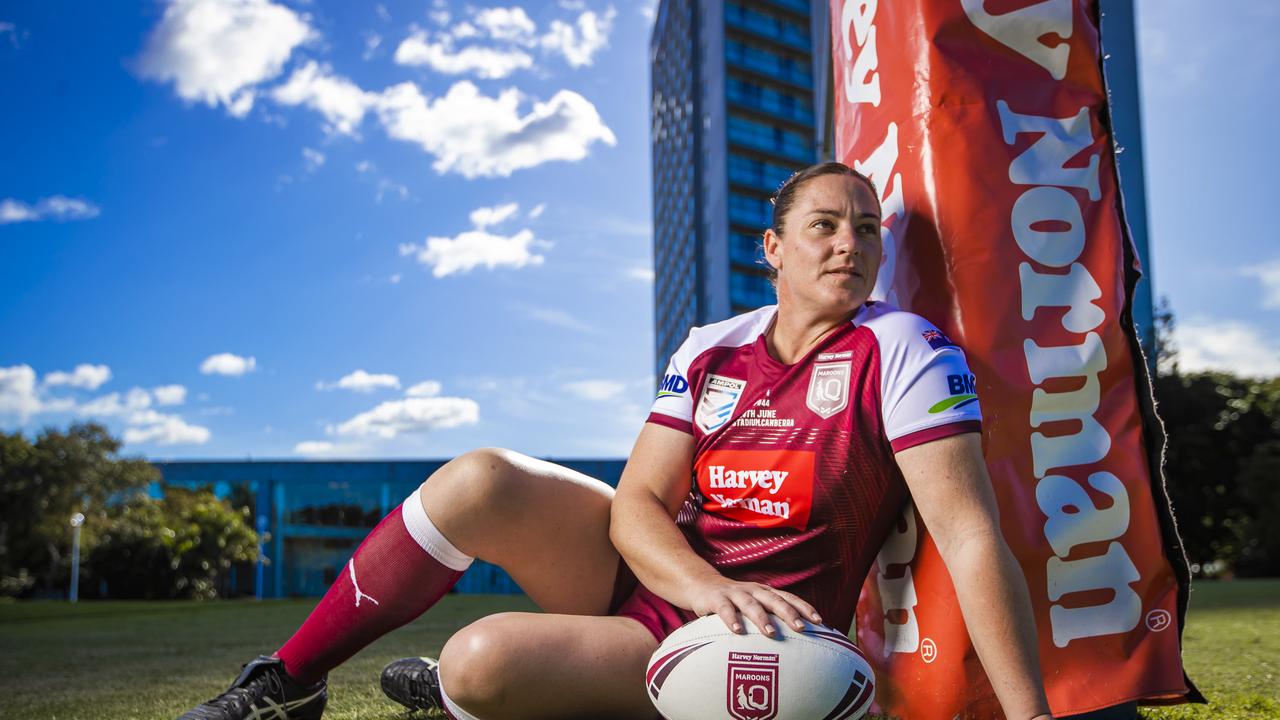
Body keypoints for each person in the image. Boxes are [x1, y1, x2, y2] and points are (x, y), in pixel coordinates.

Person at [178, 162, 1053, 720]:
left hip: (752, 634)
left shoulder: (903, 349)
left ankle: (475, 690)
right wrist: (700, 582)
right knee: (480, 477)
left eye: (868, 228)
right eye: (824, 224)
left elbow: (970, 534)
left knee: (480, 663)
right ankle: (288, 682)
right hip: (664, 577)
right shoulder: (713, 346)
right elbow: (637, 504)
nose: (849, 244)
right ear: (773, 249)